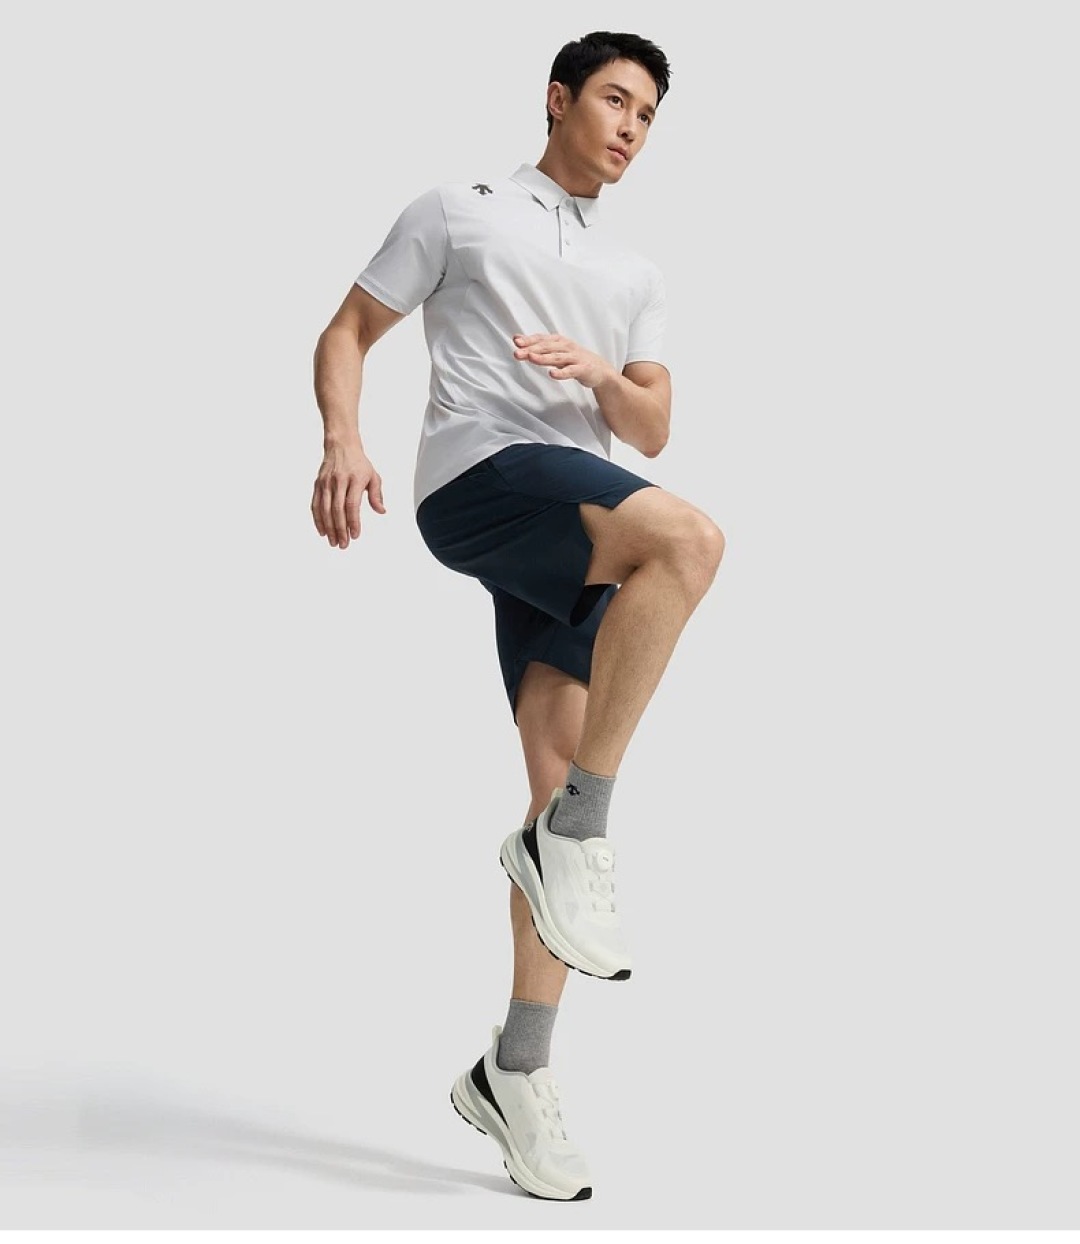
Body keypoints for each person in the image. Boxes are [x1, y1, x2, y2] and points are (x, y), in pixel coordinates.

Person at [310, 30, 724, 1201]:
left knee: (550, 811)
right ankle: (582, 830)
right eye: (615, 100)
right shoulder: (462, 210)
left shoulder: (635, 274)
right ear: (558, 98)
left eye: (648, 115)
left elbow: (652, 428)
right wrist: (343, 437)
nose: (631, 127)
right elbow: (347, 329)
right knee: (690, 540)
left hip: (573, 529)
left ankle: (517, 1068)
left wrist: (600, 375)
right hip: (484, 477)